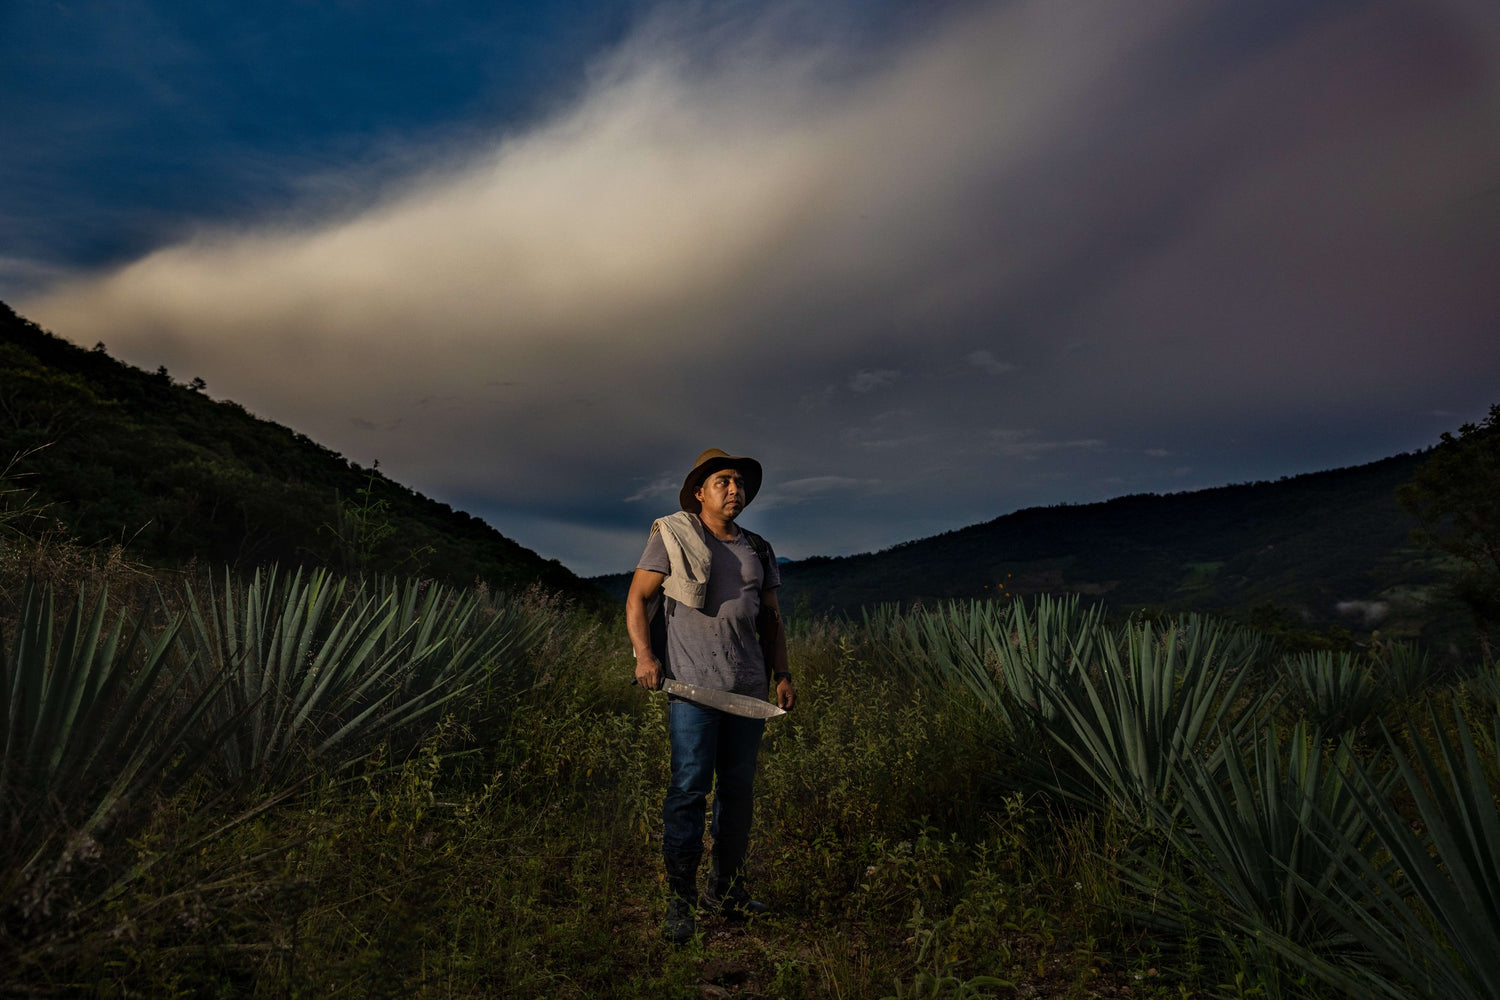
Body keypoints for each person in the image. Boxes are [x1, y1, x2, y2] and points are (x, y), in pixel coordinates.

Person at [625, 448, 796, 944]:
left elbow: (773, 618)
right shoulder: (674, 536)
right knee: (689, 792)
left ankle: (728, 892)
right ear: (700, 491)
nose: (734, 489)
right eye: (722, 481)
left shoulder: (759, 548)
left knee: (738, 794)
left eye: (738, 482)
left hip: (748, 689)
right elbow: (637, 597)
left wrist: (781, 673)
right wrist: (644, 656)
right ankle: (680, 901)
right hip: (693, 690)